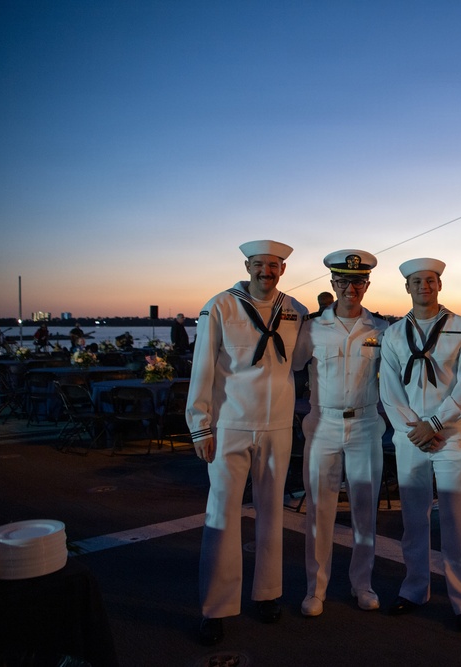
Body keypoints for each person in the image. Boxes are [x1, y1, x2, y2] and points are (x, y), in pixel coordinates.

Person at [186, 240, 310, 646]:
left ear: (283, 269)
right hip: (230, 424)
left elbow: (300, 361)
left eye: (273, 265)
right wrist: (200, 425)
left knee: (272, 512)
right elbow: (202, 366)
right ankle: (216, 607)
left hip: (277, 425)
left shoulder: (295, 310)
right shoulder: (221, 306)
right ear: (247, 266)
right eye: (259, 264)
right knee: (221, 515)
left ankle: (267, 593)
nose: (266, 272)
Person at [379, 258, 461, 632]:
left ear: (440, 285)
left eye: (430, 280)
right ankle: (414, 589)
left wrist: (435, 424)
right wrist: (415, 429)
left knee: (457, 520)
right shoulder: (393, 334)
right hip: (411, 438)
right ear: (407, 287)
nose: (424, 286)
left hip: (450, 435)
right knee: (413, 520)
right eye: (416, 281)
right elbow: (389, 389)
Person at [301, 249, 388, 618]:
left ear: (367, 285)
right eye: (343, 282)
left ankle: (362, 583)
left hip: (366, 424)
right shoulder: (310, 328)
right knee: (319, 510)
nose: (350, 289)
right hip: (323, 424)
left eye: (358, 282)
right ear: (333, 284)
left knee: (365, 511)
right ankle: (315, 588)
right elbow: (285, 366)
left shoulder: (381, 329)